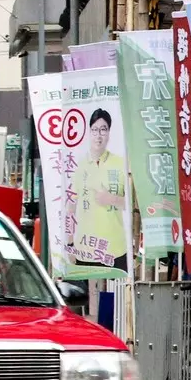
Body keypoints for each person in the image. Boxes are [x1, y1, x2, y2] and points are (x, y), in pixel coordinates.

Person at [73, 107, 129, 271]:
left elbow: (132, 204)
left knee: (112, 294)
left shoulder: (120, 163)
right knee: (89, 294)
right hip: (85, 250)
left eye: (103, 129)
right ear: (89, 132)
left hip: (115, 250)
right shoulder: (78, 166)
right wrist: (69, 243)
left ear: (109, 132)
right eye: (95, 129)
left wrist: (111, 199)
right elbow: (70, 206)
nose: (99, 135)